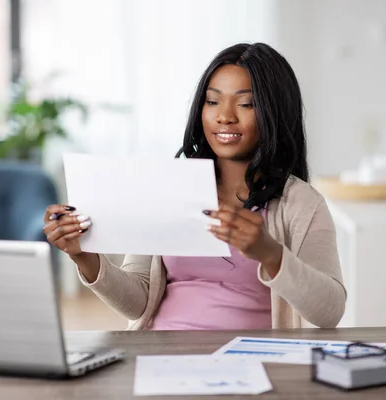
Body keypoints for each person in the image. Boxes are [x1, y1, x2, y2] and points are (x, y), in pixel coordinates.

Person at [44, 43, 346, 330]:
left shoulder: (301, 203)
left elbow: (329, 312)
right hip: (162, 351)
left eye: (245, 104)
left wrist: (270, 253)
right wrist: (83, 257)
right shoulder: (168, 186)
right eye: (212, 101)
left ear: (274, 112)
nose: (224, 116)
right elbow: (138, 303)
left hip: (251, 360)